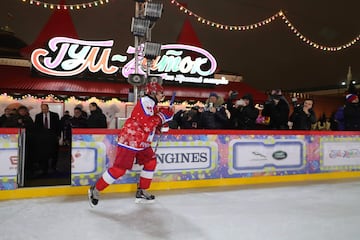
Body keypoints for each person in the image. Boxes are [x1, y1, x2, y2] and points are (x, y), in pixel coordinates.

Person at [88, 82, 174, 207]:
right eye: (161, 93)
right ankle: (95, 190)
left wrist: (162, 122)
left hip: (141, 142)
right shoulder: (146, 102)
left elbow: (150, 122)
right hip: (130, 140)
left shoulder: (152, 104)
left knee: (151, 161)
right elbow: (146, 123)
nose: (163, 95)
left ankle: (142, 191)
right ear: (154, 92)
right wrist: (162, 116)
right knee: (119, 169)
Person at [33, 103, 61, 175]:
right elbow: (36, 128)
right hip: (42, 137)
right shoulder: (38, 116)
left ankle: (54, 167)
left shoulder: (55, 115)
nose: (44, 110)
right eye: (42, 109)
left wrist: (58, 135)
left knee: (55, 152)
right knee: (43, 153)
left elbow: (58, 126)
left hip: (53, 136)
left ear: (48, 108)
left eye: (45, 109)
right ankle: (44, 168)